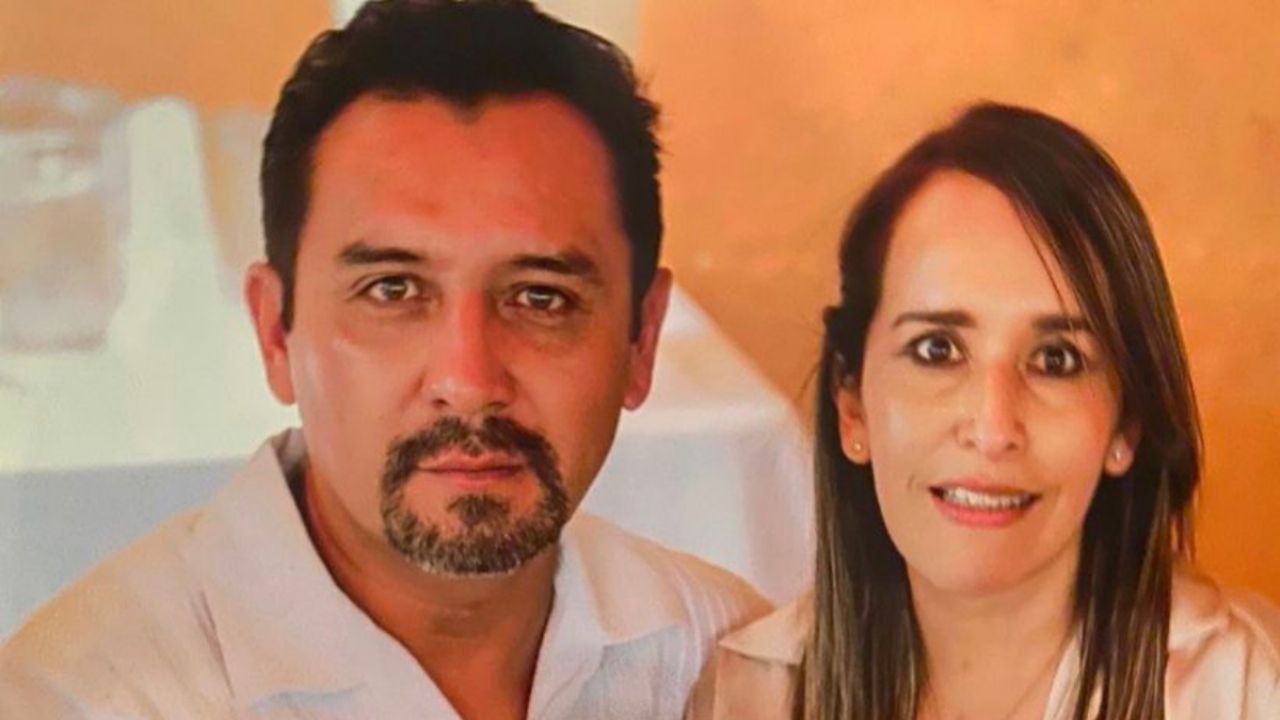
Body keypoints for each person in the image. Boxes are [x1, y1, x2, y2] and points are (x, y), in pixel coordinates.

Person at [0, 1, 769, 718]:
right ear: (275, 333)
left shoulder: (731, 664)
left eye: (540, 298)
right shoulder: (82, 698)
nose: (468, 382)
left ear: (642, 339)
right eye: (392, 290)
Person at [690, 102, 1280, 720]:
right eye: (937, 350)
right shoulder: (744, 697)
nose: (994, 428)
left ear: (1125, 424)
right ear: (852, 404)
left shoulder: (1247, 693)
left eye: (1056, 360)